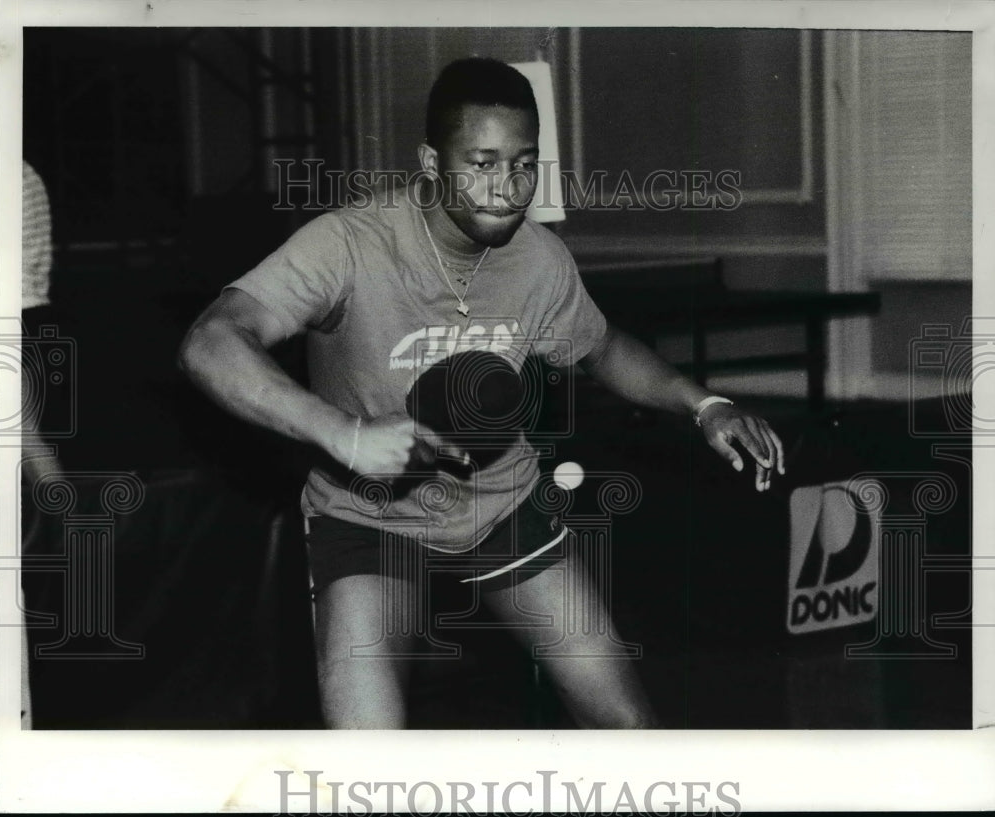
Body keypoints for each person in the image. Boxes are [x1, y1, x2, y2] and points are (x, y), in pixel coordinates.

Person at [179, 57, 785, 729]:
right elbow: (211, 340)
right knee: (368, 770)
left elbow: (604, 347)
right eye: (483, 163)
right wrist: (340, 431)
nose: (507, 188)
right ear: (433, 162)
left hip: (501, 507)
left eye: (523, 164)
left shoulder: (540, 259)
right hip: (368, 520)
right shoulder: (347, 244)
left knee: (630, 730)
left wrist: (705, 404)